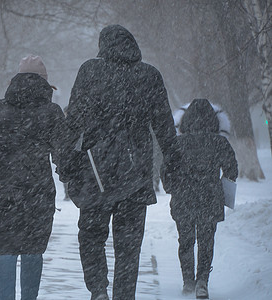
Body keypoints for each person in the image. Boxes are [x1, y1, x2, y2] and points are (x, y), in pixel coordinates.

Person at [63, 25, 181, 300]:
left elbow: (74, 122)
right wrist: (172, 162)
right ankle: (123, 295)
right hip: (135, 173)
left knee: (91, 236)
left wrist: (66, 161)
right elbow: (164, 126)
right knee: (129, 247)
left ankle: (98, 290)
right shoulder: (149, 75)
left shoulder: (90, 71)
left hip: (96, 172)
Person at [0, 55, 66, 300]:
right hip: (39, 189)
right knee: (33, 249)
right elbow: (62, 149)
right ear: (45, 83)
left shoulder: (0, 108)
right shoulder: (52, 112)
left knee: (4, 248)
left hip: (1, 188)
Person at [167, 98, 238, 299]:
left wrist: (173, 188)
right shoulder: (219, 142)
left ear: (186, 121)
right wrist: (223, 185)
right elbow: (232, 169)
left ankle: (188, 281)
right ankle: (202, 282)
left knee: (186, 241)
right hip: (210, 197)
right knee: (206, 241)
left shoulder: (177, 143)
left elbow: (166, 170)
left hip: (183, 198)